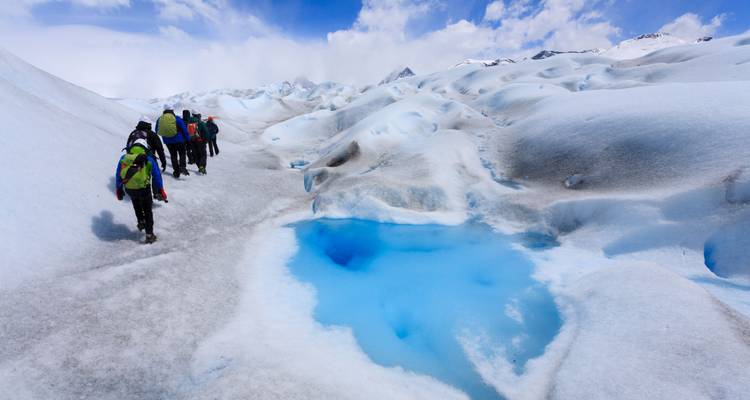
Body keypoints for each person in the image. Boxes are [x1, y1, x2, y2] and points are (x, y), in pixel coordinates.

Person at [115, 138, 168, 244]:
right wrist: (161, 190)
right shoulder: (148, 159)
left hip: (130, 188)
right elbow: (156, 176)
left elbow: (118, 174)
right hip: (144, 188)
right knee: (148, 210)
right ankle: (149, 235)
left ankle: (141, 220)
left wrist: (118, 189)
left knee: (136, 204)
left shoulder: (124, 158)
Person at [156, 105, 191, 178]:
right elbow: (184, 130)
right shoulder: (177, 118)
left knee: (173, 155)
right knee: (182, 153)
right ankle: (182, 166)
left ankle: (176, 171)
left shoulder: (160, 119)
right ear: (172, 111)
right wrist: (188, 139)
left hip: (168, 141)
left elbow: (157, 130)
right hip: (179, 140)